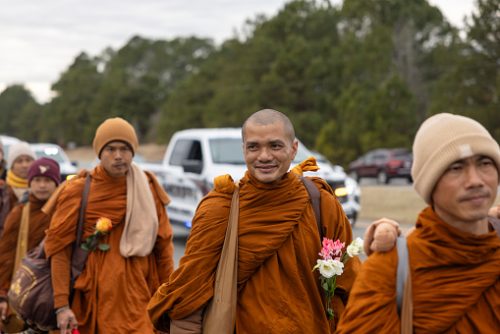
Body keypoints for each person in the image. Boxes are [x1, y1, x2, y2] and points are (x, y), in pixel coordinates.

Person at [148, 109, 359, 333]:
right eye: (254, 147)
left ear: (293, 149)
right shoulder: (220, 208)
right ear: (243, 150)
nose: (264, 156)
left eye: (275, 146)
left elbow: (348, 281)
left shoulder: (320, 203)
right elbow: (190, 283)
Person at [336, 113, 500, 333]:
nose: (475, 181)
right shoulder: (390, 269)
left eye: (485, 163)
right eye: (456, 168)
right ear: (429, 184)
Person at [43, 117, 174, 334]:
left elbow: (164, 247)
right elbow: (59, 250)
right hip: (92, 300)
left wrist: (169, 298)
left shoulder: (148, 188)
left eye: (125, 149)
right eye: (110, 149)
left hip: (139, 297)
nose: (118, 156)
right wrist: (62, 306)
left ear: (133, 152)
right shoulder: (77, 190)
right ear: (99, 152)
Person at [0, 157, 61, 333]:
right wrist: (2, 295)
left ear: (57, 183)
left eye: (48, 180)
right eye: (37, 180)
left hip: (56, 291)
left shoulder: (66, 211)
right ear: (30, 183)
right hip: (24, 290)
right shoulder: (19, 212)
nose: (42, 185)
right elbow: (5, 256)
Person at [0, 141, 36, 237]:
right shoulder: (3, 190)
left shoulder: (42, 190)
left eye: (28, 160)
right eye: (19, 161)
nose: (24, 165)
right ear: (12, 165)